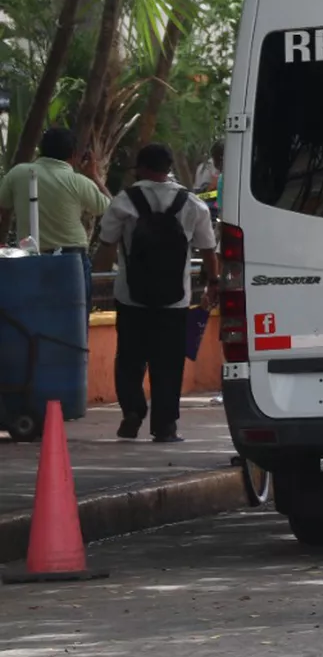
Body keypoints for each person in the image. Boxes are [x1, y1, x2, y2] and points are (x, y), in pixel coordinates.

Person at [96, 144, 218, 443]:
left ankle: (132, 412)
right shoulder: (192, 204)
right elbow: (208, 249)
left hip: (130, 297)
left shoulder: (124, 201)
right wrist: (213, 282)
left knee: (129, 359)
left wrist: (97, 281)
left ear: (140, 167)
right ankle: (165, 427)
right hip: (174, 301)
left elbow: (106, 244)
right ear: (168, 168)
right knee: (168, 363)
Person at [0, 127, 110, 307]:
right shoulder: (79, 182)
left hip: (30, 256)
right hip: (71, 258)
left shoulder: (18, 173)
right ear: (74, 154)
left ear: (41, 149)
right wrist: (94, 176)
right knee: (74, 314)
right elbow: (111, 207)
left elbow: (1, 209)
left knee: (30, 314)